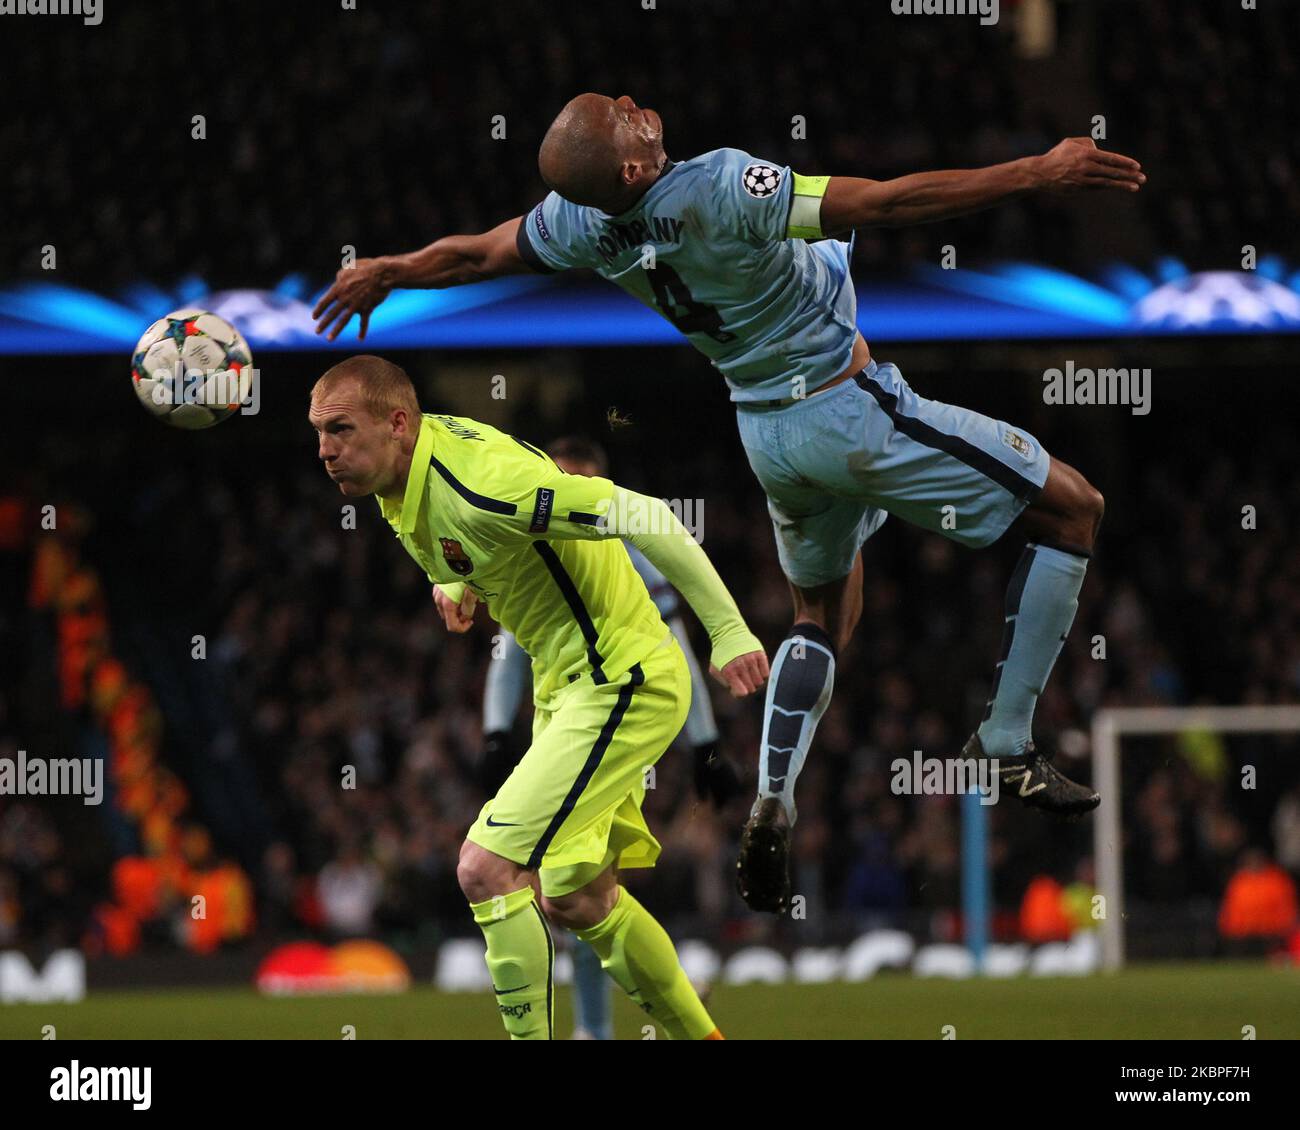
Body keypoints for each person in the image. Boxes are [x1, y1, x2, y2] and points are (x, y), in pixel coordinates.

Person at [313, 93, 1144, 914]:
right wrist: (1037, 171)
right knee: (1074, 509)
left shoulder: (578, 222)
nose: (638, 106)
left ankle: (773, 794)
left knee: (819, 612)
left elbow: (475, 257)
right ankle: (1006, 737)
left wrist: (392, 270)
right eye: (624, 114)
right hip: (846, 407)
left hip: (766, 433)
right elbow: (891, 200)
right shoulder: (720, 185)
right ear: (634, 164)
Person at [308, 354, 768, 1038]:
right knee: (577, 897)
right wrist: (460, 582)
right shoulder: (396, 482)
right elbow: (478, 547)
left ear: (398, 423)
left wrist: (727, 630)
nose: (326, 451)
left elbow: (642, 514)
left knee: (484, 867)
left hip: (622, 678)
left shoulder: (483, 486)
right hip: (567, 689)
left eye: (340, 430)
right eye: (318, 434)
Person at [480, 434, 741, 1038]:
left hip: (615, 714)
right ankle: (664, 1010)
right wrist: (496, 733)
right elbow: (510, 650)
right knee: (575, 892)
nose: (562, 499)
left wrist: (705, 744)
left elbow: (670, 634)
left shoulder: (624, 548)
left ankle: (607, 1024)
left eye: (580, 485)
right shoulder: (529, 540)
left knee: (569, 888)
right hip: (566, 725)